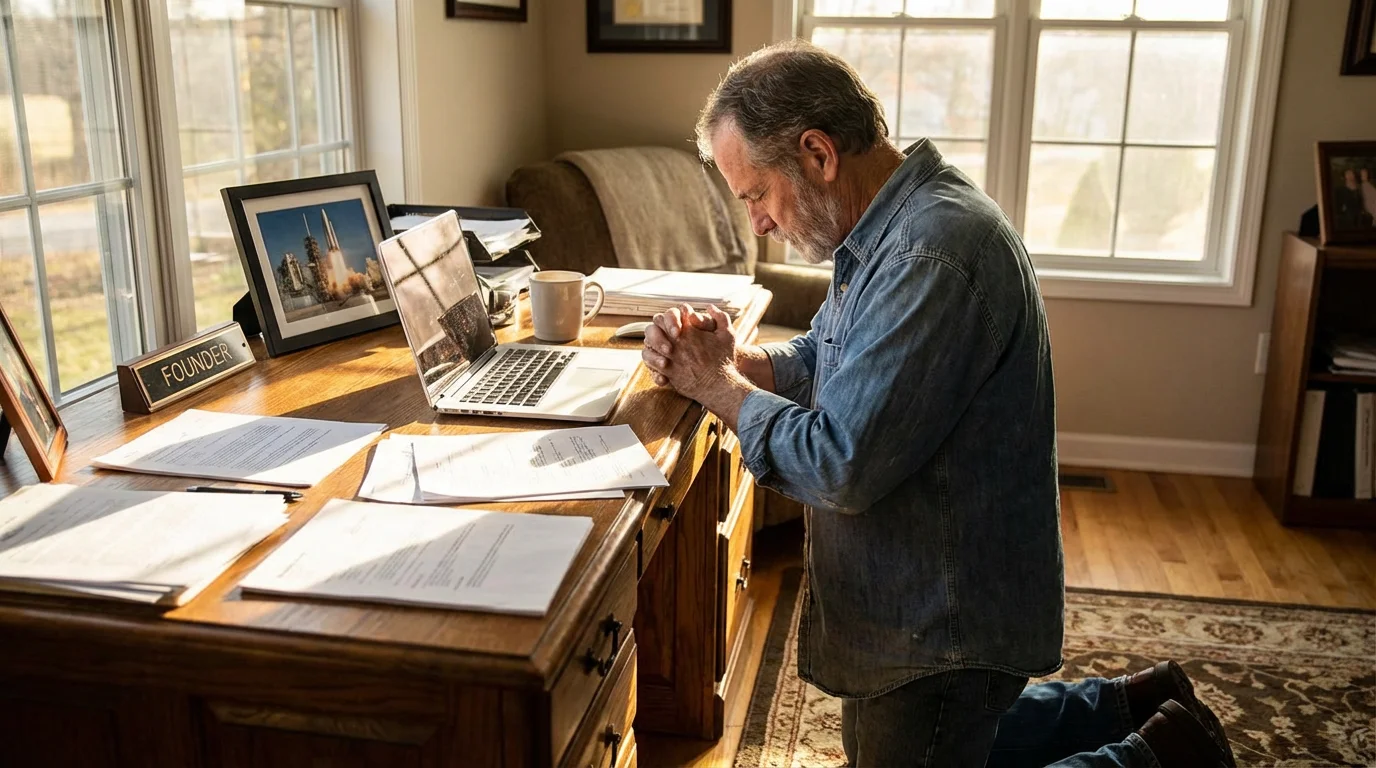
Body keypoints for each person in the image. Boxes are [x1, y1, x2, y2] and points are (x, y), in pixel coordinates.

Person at [640, 40, 1235, 767]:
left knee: (927, 740)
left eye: (756, 194)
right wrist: (737, 361)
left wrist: (715, 386)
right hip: (909, 596)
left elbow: (840, 464)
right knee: (928, 746)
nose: (757, 223)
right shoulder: (882, 230)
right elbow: (825, 359)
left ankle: (1161, 758)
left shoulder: (932, 253)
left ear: (819, 154)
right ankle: (1126, 706)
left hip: (942, 619)